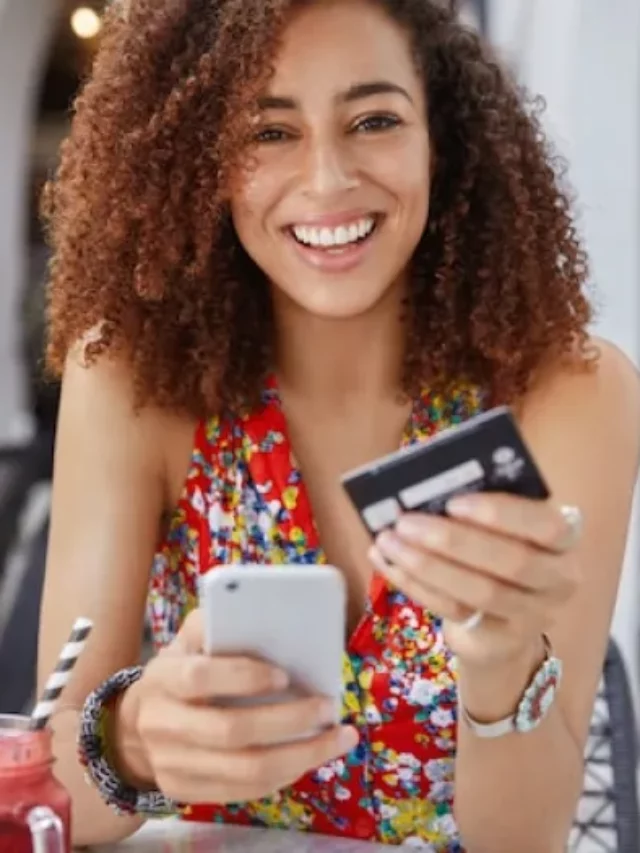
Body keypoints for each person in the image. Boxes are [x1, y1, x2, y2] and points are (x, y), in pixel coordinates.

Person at [38, 0, 640, 851]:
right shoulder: (133, 378)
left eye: (375, 120)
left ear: (445, 140)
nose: (328, 180)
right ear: (199, 160)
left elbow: (524, 839)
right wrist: (130, 741)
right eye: (268, 133)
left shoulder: (571, 393)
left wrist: (502, 658)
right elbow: (52, 793)